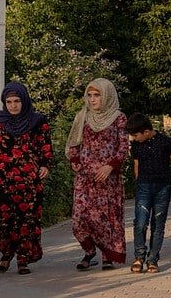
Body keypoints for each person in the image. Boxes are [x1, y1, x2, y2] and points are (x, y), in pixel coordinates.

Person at [0, 81, 53, 275]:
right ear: (4, 102)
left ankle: (23, 259)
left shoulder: (37, 120)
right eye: (9, 101)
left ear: (24, 100)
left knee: (26, 219)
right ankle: (6, 253)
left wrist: (45, 165)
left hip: (28, 180)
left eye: (17, 101)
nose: (13, 105)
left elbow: (46, 146)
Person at [66, 78, 128, 271]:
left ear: (107, 95)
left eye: (97, 95)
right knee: (80, 218)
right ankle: (89, 249)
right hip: (85, 177)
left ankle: (106, 255)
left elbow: (124, 147)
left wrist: (110, 166)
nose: (92, 100)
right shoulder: (82, 116)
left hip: (107, 177)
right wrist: (75, 161)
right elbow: (74, 143)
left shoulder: (118, 117)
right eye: (90, 95)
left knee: (105, 218)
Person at [127, 112, 171, 275]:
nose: (133, 138)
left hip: (162, 188)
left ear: (146, 131)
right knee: (140, 223)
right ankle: (139, 257)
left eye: (135, 135)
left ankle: (153, 259)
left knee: (158, 225)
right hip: (143, 188)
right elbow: (137, 164)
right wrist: (138, 181)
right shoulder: (137, 145)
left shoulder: (166, 142)